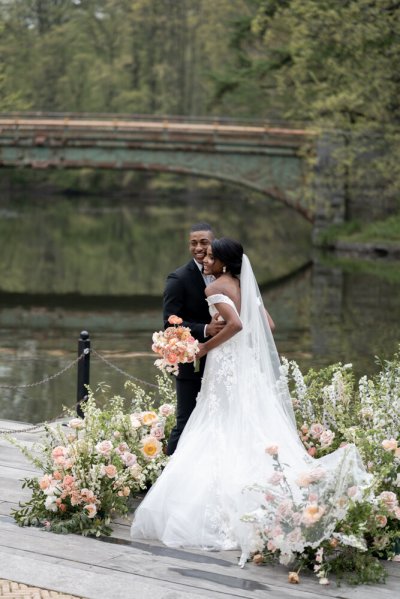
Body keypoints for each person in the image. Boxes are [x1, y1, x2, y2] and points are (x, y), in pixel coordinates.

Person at [132, 238, 370, 565]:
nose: (206, 259)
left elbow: (236, 324)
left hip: (223, 365)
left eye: (212, 256)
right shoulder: (245, 286)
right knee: (245, 422)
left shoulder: (215, 286)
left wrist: (203, 348)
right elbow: (266, 325)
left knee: (217, 424)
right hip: (243, 366)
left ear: (224, 263)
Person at [163, 223, 225, 455]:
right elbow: (170, 324)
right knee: (186, 420)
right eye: (193, 243)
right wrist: (206, 329)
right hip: (192, 362)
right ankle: (166, 474)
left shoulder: (225, 274)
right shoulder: (178, 279)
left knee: (218, 420)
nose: (198, 247)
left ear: (214, 244)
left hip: (222, 362)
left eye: (204, 242)